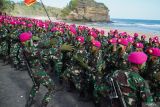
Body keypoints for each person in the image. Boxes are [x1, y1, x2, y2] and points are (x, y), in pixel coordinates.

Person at [19, 32, 55, 107]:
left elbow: (39, 46)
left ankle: (29, 101)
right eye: (30, 39)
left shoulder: (25, 47)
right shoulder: (28, 49)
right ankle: (44, 104)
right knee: (52, 87)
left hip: (32, 72)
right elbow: (42, 52)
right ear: (25, 41)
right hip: (38, 72)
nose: (32, 40)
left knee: (36, 86)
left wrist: (48, 43)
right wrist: (59, 48)